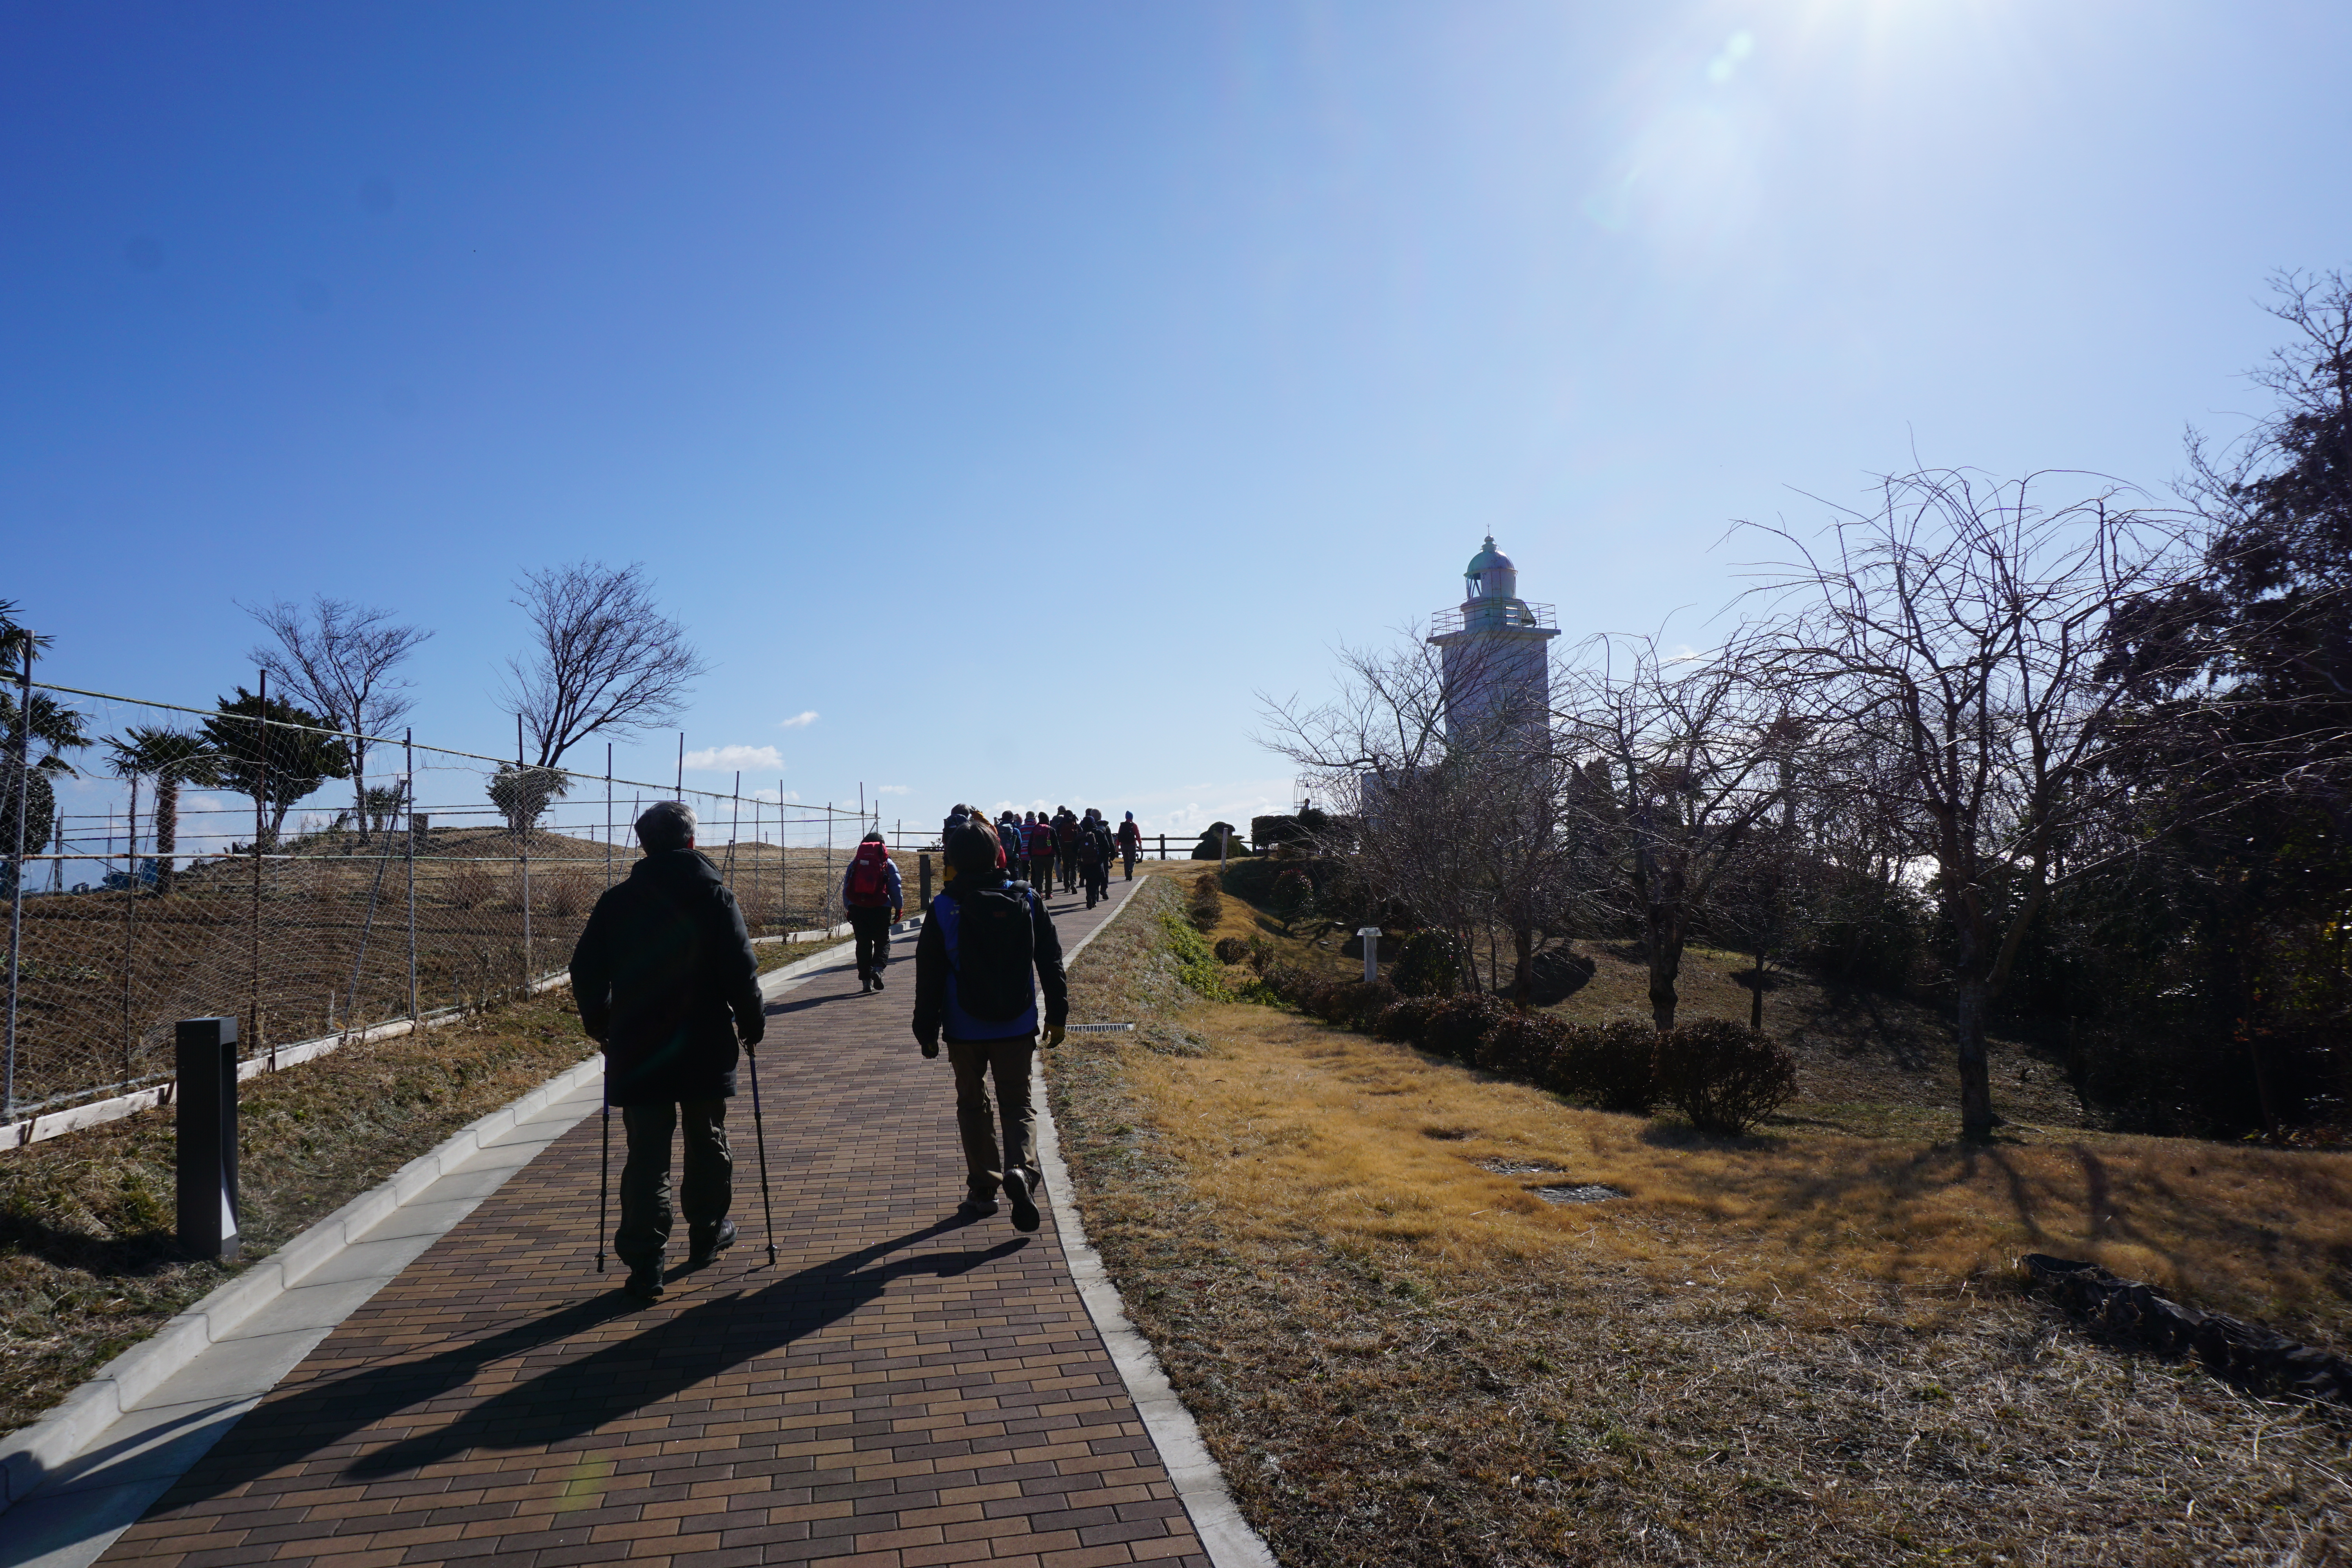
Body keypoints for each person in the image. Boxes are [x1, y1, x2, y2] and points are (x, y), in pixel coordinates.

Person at [570, 800, 765, 1301]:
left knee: (646, 1156)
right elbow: (740, 971)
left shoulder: (617, 902)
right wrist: (751, 1021)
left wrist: (602, 1021)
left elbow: (586, 969)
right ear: (692, 842)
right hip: (704, 1043)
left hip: (639, 1047)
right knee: (708, 1139)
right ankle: (707, 1232)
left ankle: (646, 1262)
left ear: (644, 844)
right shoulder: (716, 898)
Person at [913, 826, 1068, 1230]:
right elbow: (1050, 959)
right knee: (1018, 1103)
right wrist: (1057, 1012)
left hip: (964, 1027)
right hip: (1017, 1023)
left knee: (972, 1103)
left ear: (953, 860)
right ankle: (1022, 1171)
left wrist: (926, 1028)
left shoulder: (945, 906)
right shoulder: (1028, 898)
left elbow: (929, 973)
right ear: (999, 854)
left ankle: (984, 1187)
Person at [840, 831, 904, 993]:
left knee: (863, 944)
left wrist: (849, 907)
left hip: (858, 908)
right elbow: (895, 889)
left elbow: (847, 887)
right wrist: (898, 907)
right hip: (880, 908)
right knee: (882, 942)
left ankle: (866, 981)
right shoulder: (887, 863)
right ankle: (878, 969)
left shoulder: (855, 863)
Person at [1024, 811, 1056, 901]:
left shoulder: (1035, 829)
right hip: (1050, 856)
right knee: (1049, 875)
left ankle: (1039, 893)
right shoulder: (1050, 829)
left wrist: (1031, 855)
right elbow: (1056, 843)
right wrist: (1059, 854)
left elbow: (1030, 844)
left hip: (1037, 856)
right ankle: (1049, 893)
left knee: (1039, 875)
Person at [1076, 819, 1107, 909]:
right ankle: (1094, 899)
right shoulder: (1099, 833)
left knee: (1089, 881)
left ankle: (1089, 896)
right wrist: (1101, 859)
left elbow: (1074, 849)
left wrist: (1080, 859)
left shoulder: (1081, 835)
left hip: (1085, 863)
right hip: (1097, 862)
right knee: (1097, 881)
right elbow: (1107, 847)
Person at [1055, 808, 1081, 893]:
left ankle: (1066, 886)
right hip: (1074, 849)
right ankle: (1073, 884)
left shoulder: (1061, 824)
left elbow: (1057, 836)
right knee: (1074, 867)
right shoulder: (1075, 824)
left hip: (1064, 848)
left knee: (1066, 867)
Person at [1115, 811, 1142, 879]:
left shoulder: (1122, 825)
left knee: (1126, 861)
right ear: (1132, 817)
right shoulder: (1134, 825)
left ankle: (1127, 876)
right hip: (1132, 845)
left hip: (1123, 845)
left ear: (1126, 817)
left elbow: (1119, 836)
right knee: (1132, 860)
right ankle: (1130, 870)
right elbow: (1138, 835)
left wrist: (1117, 846)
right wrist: (1140, 844)